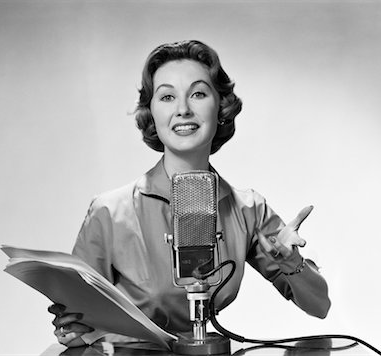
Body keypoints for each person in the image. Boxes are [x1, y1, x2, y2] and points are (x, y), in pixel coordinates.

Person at [48, 40, 331, 348]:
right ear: (151, 113)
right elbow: (76, 324)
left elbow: (320, 307)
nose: (183, 110)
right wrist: (73, 329)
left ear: (220, 107)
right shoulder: (110, 212)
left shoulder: (248, 209)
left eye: (197, 93)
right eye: (167, 96)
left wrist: (292, 263)